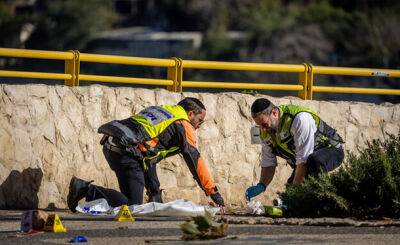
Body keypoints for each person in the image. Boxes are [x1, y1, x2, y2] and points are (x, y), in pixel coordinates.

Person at [67, 97, 225, 212]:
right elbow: (196, 161)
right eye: (200, 120)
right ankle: (86, 189)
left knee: (129, 199)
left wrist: (154, 191)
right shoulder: (183, 125)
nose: (199, 126)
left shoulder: (162, 110)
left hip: (113, 146)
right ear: (190, 114)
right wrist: (213, 193)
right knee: (132, 206)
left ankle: (87, 190)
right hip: (127, 154)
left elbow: (149, 155)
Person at [245, 98, 344, 201]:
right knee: (290, 188)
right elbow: (268, 163)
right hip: (306, 159)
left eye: (264, 125)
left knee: (313, 164)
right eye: (259, 126)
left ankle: (326, 200)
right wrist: (262, 185)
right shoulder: (265, 132)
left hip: (331, 150)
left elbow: (303, 161)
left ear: (274, 113)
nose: (263, 129)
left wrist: (293, 195)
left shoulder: (299, 119)